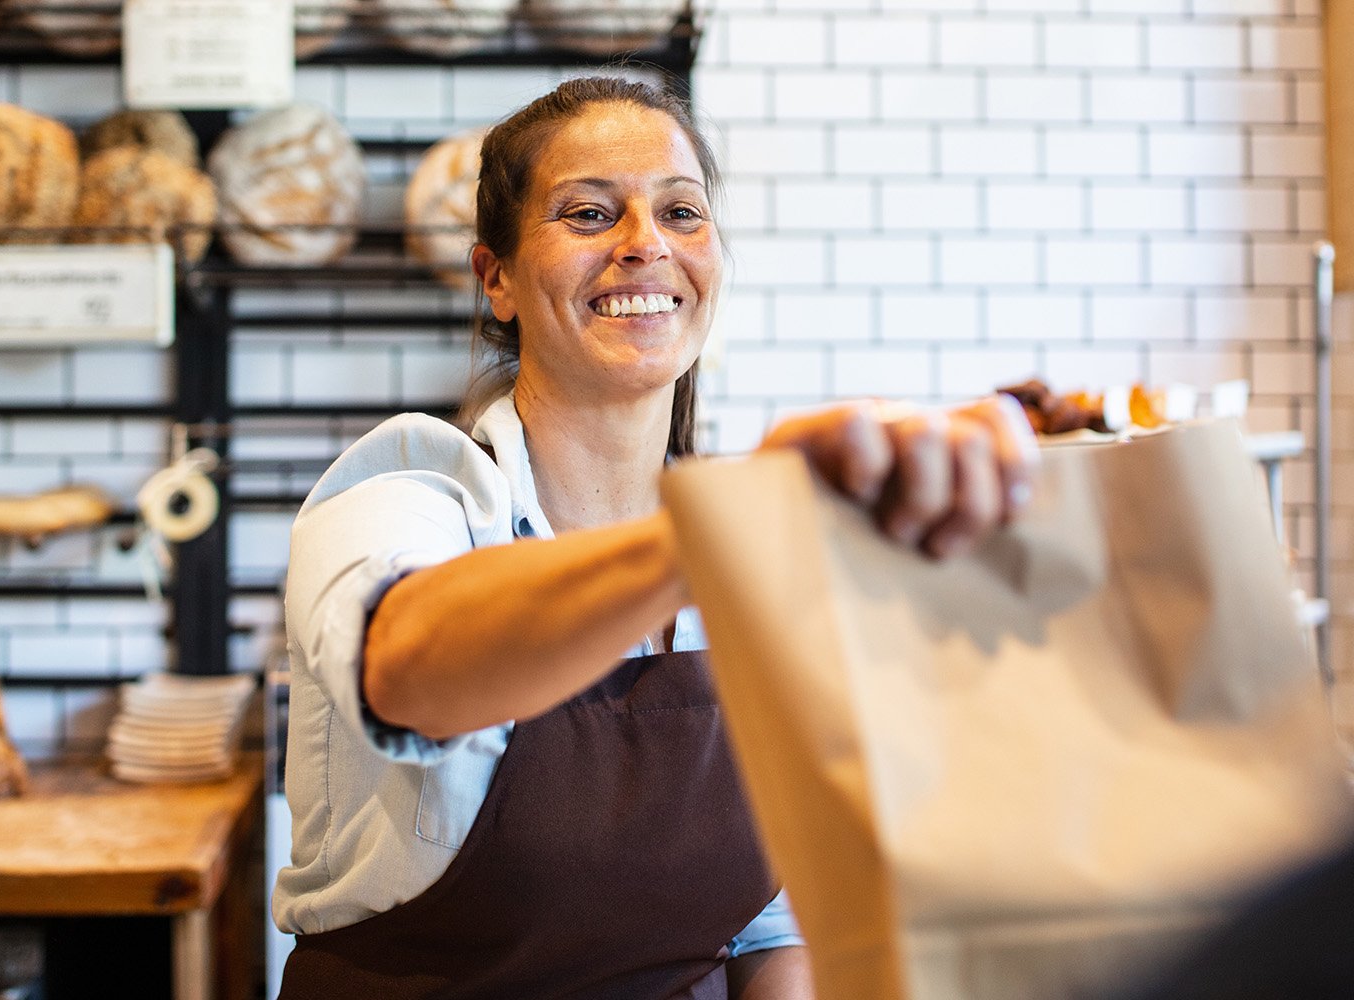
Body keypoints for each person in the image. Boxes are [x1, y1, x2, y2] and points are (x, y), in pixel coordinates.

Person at [272, 77, 1039, 1000]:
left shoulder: (761, 548)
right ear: (497, 279)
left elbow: (770, 928)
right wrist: (712, 535)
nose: (646, 243)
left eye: (681, 211)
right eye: (589, 213)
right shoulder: (411, 490)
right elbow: (404, 667)